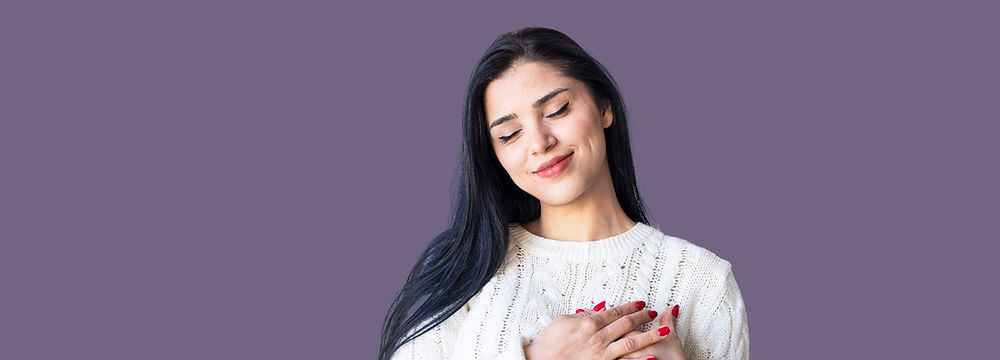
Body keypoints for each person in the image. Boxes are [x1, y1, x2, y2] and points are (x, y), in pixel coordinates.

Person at [379, 27, 749, 360]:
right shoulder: (462, 267)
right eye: (509, 135)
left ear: (604, 107)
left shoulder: (703, 281)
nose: (540, 142)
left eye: (557, 109)